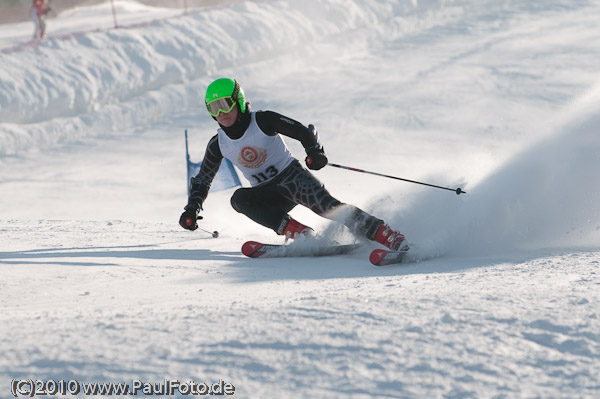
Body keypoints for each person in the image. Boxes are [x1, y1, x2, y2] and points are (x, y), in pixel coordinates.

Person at [179, 78, 408, 251]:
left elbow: (301, 131)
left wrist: (314, 152)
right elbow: (203, 180)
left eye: (224, 104)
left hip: (293, 179)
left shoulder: (262, 120)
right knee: (239, 199)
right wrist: (192, 207)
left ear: (238, 100)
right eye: (213, 107)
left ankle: (386, 235)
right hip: (268, 194)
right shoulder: (218, 143)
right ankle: (301, 235)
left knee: (329, 207)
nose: (220, 112)